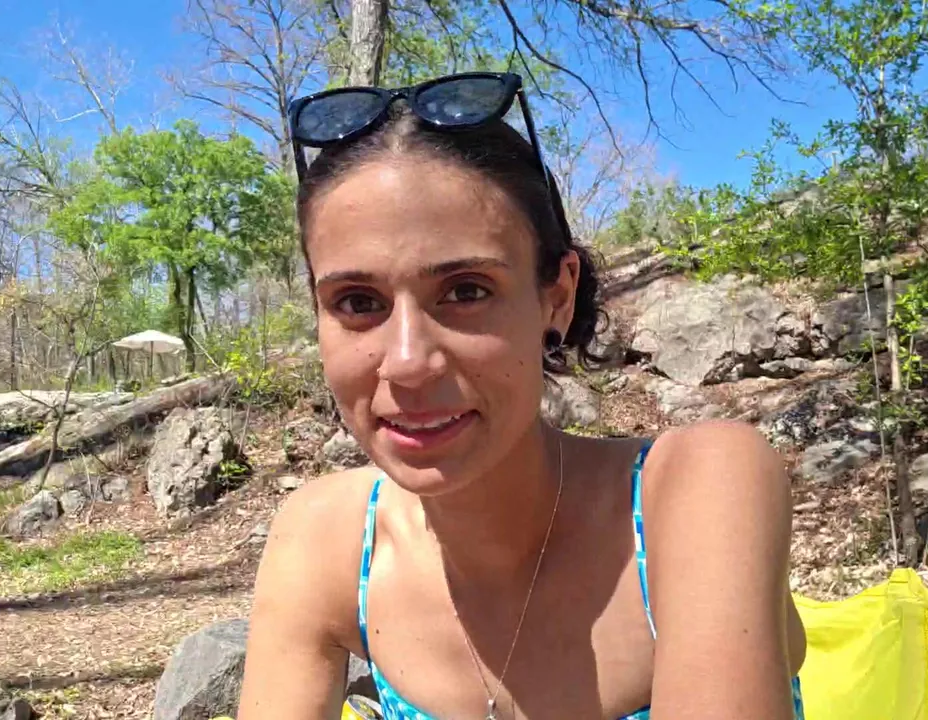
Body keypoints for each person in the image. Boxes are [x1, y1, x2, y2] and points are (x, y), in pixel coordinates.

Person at [238, 72, 806, 720]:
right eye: (357, 302)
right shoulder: (325, 541)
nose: (408, 363)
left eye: (466, 291)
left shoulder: (693, 491)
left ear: (556, 297)